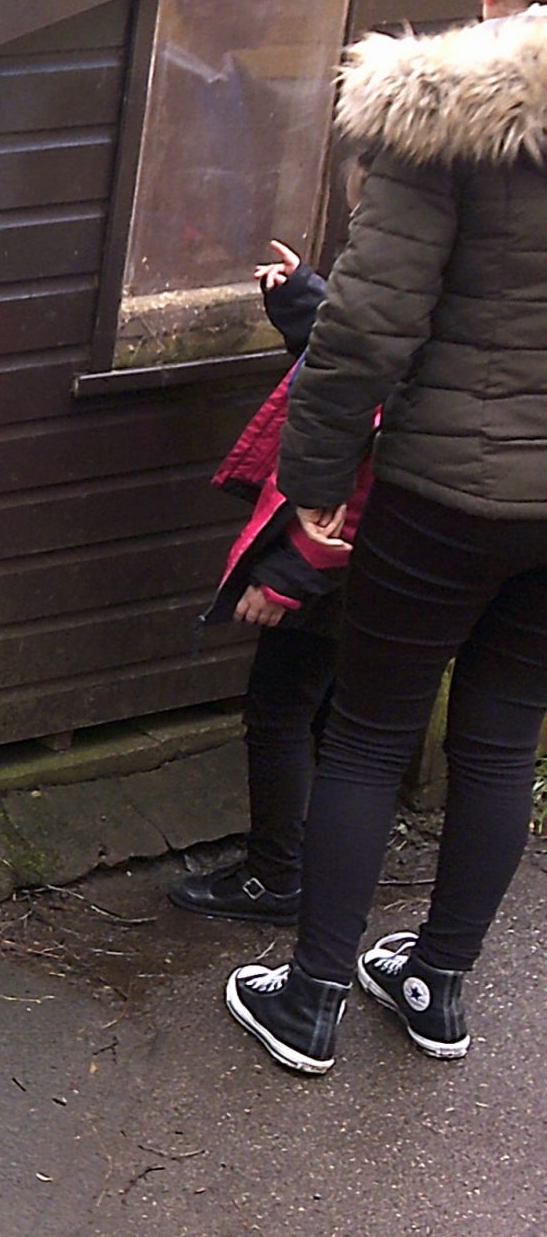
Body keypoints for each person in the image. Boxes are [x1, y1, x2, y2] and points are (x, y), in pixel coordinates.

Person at [224, 0, 547, 1074]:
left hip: (443, 488)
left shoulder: (444, 111)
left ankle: (308, 997)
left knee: (366, 730)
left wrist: (309, 495)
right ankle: (437, 984)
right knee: (504, 732)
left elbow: (362, 333)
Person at [167, 235, 372, 925]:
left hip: (334, 566)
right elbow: (357, 353)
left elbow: (360, 422)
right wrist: (306, 300)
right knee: (329, 705)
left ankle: (277, 876)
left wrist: (290, 573)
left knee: (282, 708)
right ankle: (315, 866)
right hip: (378, 563)